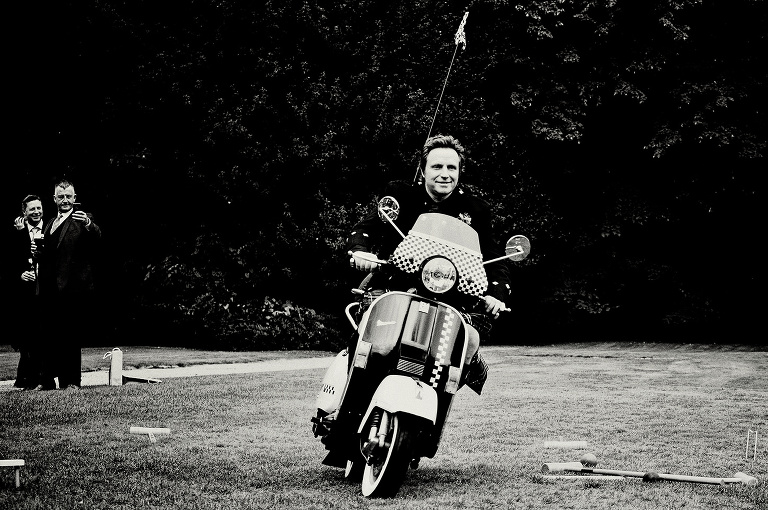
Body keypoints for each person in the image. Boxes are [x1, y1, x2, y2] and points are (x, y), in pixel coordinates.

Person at [345, 134, 511, 394]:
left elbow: (493, 260)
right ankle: (347, 400)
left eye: (451, 168)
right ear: (422, 170)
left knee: (467, 342)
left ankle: (462, 369)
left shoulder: (476, 210)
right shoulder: (400, 194)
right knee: (367, 347)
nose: (444, 174)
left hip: (451, 301)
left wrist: (496, 294)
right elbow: (368, 227)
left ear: (459, 172)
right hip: (393, 289)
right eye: (437, 166)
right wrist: (360, 252)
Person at [36, 179, 102, 390]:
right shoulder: (49, 223)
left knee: (71, 336)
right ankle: (47, 381)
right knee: (50, 336)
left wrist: (89, 225)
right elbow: (48, 255)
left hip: (72, 289)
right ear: (54, 199)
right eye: (61, 196)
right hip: (50, 289)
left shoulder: (82, 219)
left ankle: (72, 381)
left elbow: (97, 236)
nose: (65, 200)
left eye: (69, 196)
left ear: (75, 198)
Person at [8, 195, 46, 390]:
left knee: (41, 336)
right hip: (25, 294)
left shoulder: (49, 228)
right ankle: (26, 378)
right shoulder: (17, 232)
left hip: (45, 291)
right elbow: (10, 260)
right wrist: (20, 274)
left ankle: (40, 379)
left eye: (39, 208)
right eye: (32, 209)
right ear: (24, 212)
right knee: (26, 338)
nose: (37, 212)